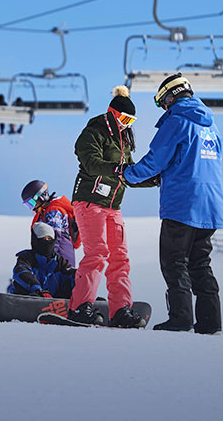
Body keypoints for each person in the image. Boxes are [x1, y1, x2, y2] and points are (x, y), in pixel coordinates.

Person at [122, 73, 223, 334]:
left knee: (174, 261)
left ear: (170, 96)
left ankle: (180, 319)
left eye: (162, 102)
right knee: (200, 263)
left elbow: (156, 160)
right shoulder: (211, 126)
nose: (163, 108)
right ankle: (210, 324)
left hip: (182, 203)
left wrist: (126, 173)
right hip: (210, 206)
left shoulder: (177, 121)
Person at [67, 85, 156, 328]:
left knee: (120, 258)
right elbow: (91, 162)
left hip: (113, 206)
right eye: (125, 118)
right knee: (96, 253)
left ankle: (120, 311)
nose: (128, 123)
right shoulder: (94, 131)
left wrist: (153, 180)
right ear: (113, 113)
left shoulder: (124, 140)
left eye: (132, 120)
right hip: (90, 202)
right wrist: (116, 169)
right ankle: (79, 307)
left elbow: (129, 174)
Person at [20, 179, 81, 266]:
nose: (32, 207)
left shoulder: (54, 211)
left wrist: (49, 260)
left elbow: (56, 239)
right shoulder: (44, 212)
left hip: (60, 260)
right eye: (29, 205)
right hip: (56, 259)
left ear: (41, 196)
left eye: (32, 203)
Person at [7, 222, 75, 298]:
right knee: (22, 283)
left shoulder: (59, 261)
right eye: (43, 239)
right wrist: (37, 290)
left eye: (49, 239)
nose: (46, 242)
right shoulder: (27, 257)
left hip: (55, 301)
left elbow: (72, 274)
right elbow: (21, 271)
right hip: (29, 298)